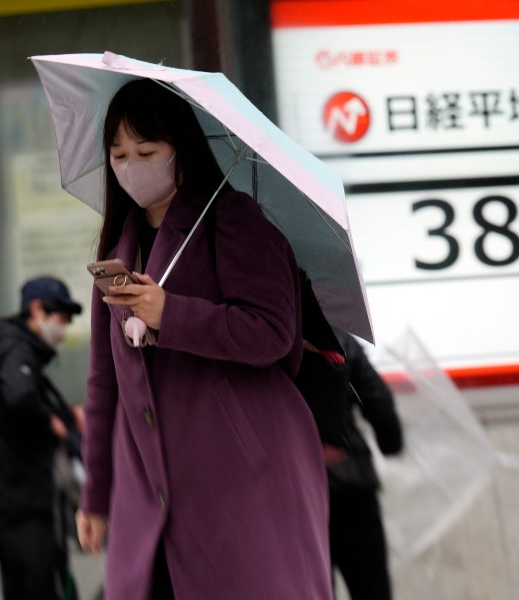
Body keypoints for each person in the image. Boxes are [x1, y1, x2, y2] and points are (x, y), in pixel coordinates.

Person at [74, 79, 332, 599]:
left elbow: (273, 332)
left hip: (240, 475)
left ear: (180, 151)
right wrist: (96, 498)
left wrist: (171, 313)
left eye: (146, 151)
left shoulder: (232, 220)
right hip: (150, 488)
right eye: (118, 154)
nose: (131, 166)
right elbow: (105, 385)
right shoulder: (117, 247)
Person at [0, 275, 83, 600]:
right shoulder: (16, 349)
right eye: (60, 317)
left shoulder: (13, 348)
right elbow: (19, 396)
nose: (62, 327)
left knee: (20, 586)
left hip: (11, 495)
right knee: (38, 584)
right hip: (23, 498)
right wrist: (54, 423)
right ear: (37, 310)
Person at [325, 330, 403, 600]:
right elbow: (378, 400)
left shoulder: (273, 344)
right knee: (371, 588)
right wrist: (390, 442)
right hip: (353, 484)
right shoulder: (341, 339)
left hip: (297, 494)